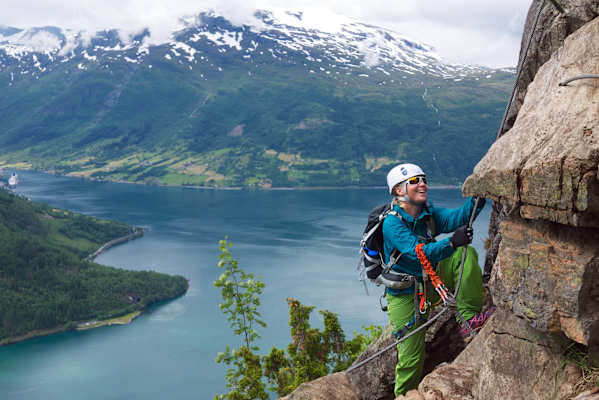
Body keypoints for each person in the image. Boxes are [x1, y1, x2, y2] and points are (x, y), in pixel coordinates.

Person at [382, 163, 494, 396]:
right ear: (399, 191)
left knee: (465, 254)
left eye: (423, 179)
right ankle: (404, 395)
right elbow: (416, 253)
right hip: (405, 294)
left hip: (429, 283)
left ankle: (470, 320)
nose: (422, 183)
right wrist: (452, 242)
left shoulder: (428, 214)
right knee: (412, 358)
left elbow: (457, 218)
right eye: (414, 181)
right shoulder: (392, 223)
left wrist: (478, 197)